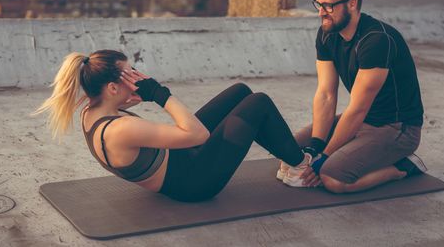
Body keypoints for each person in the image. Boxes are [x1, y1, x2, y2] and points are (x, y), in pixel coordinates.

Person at [35, 50, 313, 202]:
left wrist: (138, 95)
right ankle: (301, 167)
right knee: (258, 103)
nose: (136, 77)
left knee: (240, 92)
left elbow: (118, 107)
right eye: (129, 74)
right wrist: (159, 94)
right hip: (193, 182)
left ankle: (288, 158)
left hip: (179, 162)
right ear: (111, 87)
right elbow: (197, 135)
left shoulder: (91, 111)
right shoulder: (121, 130)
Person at [277, 0, 427, 192]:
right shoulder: (327, 33)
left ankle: (402, 168)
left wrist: (323, 159)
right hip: (362, 121)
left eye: (328, 6)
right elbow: (326, 95)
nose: (321, 12)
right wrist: (314, 147)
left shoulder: (376, 41)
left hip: (396, 129)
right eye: (319, 4)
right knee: (289, 151)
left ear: (352, 3)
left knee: (332, 179)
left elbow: (357, 109)